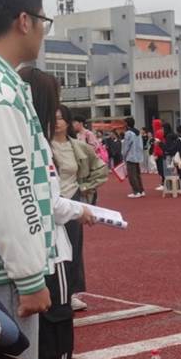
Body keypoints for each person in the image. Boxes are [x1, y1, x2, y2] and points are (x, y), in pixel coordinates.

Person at [0, 0, 61, 359]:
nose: (43, 31)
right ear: (24, 20)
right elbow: (11, 187)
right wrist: (29, 278)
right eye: (44, 20)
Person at [18, 66, 94, 359]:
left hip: (24, 250)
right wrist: (80, 211)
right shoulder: (36, 141)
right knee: (57, 324)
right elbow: (47, 202)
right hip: (49, 249)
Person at [50, 104, 108, 312]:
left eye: (60, 118)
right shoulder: (43, 146)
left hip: (72, 198)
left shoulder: (79, 147)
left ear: (69, 122)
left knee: (73, 245)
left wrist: (85, 187)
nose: (57, 122)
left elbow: (101, 169)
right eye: (53, 118)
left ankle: (72, 293)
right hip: (51, 201)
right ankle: (52, 290)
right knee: (52, 246)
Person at [162, 128, 181, 196]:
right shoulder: (180, 140)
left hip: (179, 159)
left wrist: (162, 145)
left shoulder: (177, 142)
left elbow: (171, 150)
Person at [122, 116, 145, 198]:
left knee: (132, 175)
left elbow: (126, 146)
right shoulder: (138, 132)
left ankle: (136, 191)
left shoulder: (128, 133)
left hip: (130, 156)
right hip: (137, 156)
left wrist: (124, 155)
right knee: (137, 174)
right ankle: (141, 190)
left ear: (127, 124)